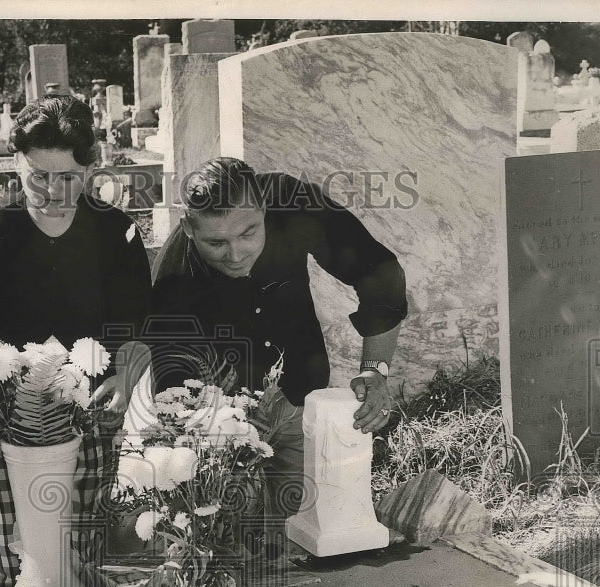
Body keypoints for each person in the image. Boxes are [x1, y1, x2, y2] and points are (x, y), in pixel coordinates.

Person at [0, 94, 152, 587]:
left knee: (80, 551)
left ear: (91, 169)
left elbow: (135, 330)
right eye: (37, 174)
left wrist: (124, 383)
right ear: (16, 162)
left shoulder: (114, 232)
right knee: (13, 556)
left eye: (68, 177)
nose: (51, 191)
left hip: (89, 407)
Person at [151, 157, 408, 537]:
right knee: (235, 538)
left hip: (301, 400)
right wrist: (217, 438)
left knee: (316, 531)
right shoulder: (173, 277)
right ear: (189, 228)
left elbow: (380, 272)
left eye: (249, 233)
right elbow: (174, 390)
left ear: (266, 211)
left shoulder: (293, 201)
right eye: (216, 243)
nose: (235, 255)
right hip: (224, 422)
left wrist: (375, 370)